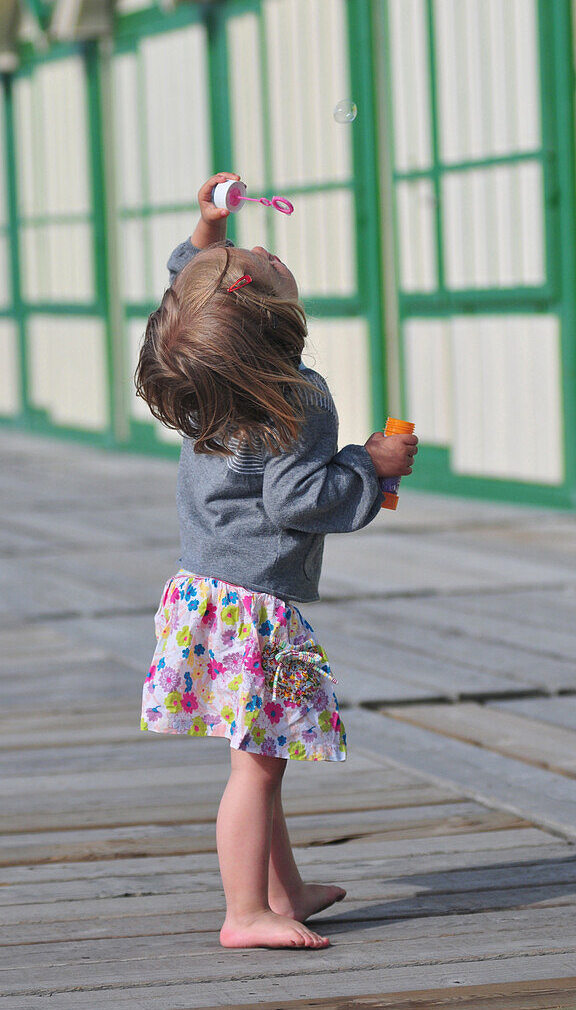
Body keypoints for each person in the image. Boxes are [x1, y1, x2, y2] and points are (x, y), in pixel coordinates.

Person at [135, 172, 418, 950]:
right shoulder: (296, 396)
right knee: (256, 768)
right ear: (273, 313)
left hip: (203, 592)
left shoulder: (201, 372)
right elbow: (298, 500)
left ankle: (282, 889)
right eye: (250, 262)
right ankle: (244, 913)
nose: (252, 248)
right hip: (253, 606)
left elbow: (187, 291)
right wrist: (370, 462)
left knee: (264, 750)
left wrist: (203, 233)